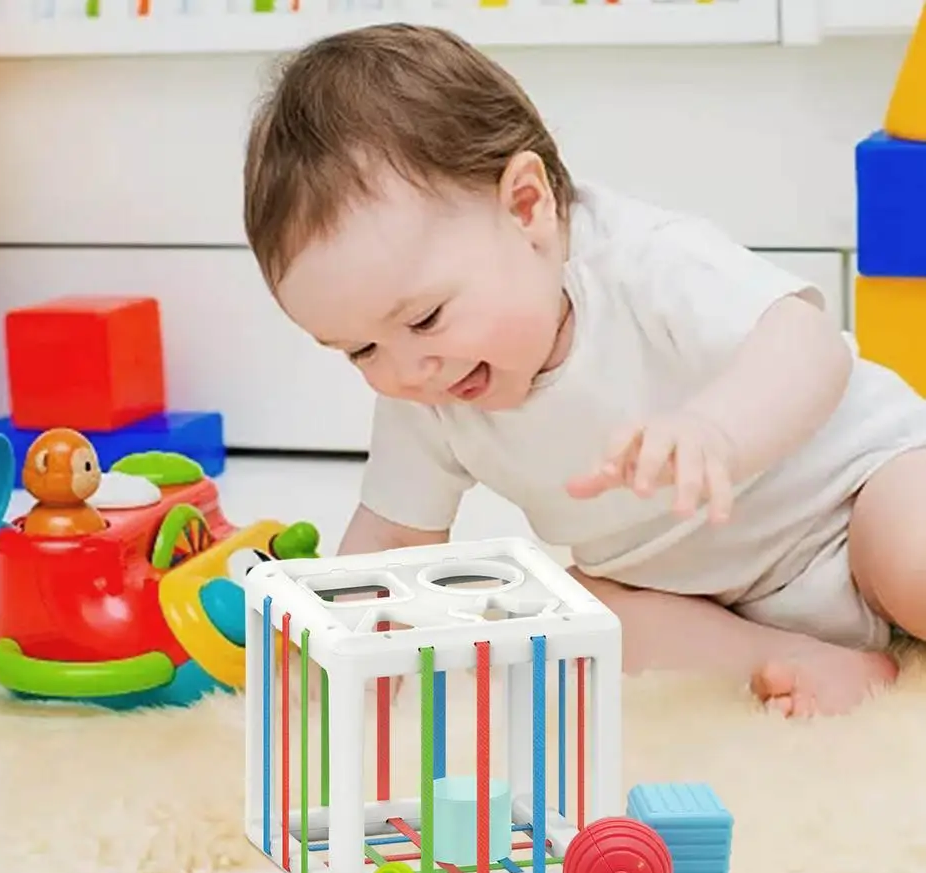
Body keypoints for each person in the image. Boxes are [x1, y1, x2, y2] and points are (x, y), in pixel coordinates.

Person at [242, 23, 926, 716]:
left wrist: (714, 430)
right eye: (360, 351)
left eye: (423, 320)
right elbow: (391, 537)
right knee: (560, 621)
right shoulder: (425, 387)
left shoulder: (643, 266)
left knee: (913, 556)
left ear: (525, 207)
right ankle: (806, 661)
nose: (404, 371)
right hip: (697, 588)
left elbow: (808, 343)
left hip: (853, 497)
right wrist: (331, 631)